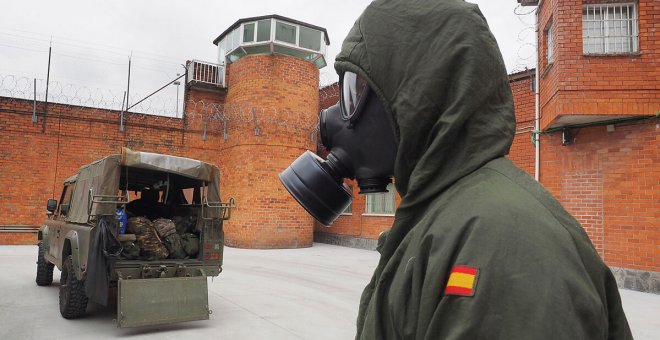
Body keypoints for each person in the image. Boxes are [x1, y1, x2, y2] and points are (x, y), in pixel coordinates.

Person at [281, 0, 632, 338]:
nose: (337, 119)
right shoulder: (440, 216)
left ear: (417, 91)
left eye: (354, 92)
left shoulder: (500, 242)